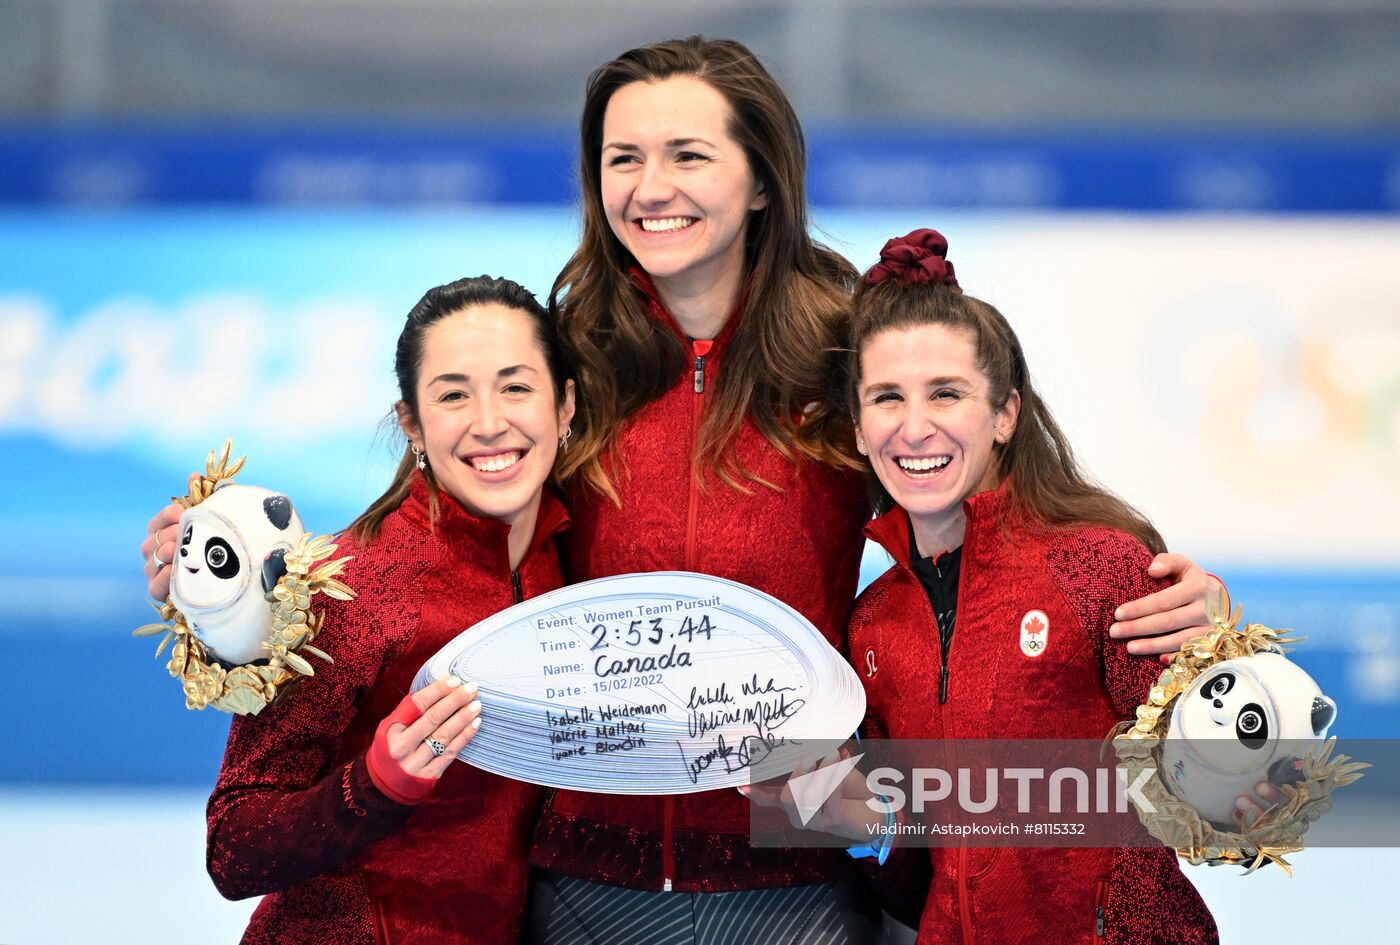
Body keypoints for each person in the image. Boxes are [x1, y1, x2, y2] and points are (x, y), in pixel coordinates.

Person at [142, 36, 1222, 943]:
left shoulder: (844, 354)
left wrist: (1183, 620)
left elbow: (984, 504)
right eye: (622, 158)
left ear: (759, 176)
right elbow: (436, 516)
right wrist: (248, 589)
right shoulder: (565, 364)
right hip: (575, 882)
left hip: (794, 879)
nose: (649, 188)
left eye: (686, 154)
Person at [829, 228, 1217, 943]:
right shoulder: (872, 625)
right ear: (857, 426)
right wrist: (858, 825)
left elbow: (1239, 805)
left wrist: (1230, 667)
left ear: (1005, 412)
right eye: (887, 397)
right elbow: (913, 880)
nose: (915, 427)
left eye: (946, 393)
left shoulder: (1100, 567)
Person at [172, 276, 575, 944]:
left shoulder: (572, 568)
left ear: (564, 405)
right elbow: (233, 848)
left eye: (516, 386)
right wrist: (371, 787)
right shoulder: (347, 586)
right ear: (411, 422)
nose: (489, 421)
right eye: (453, 395)